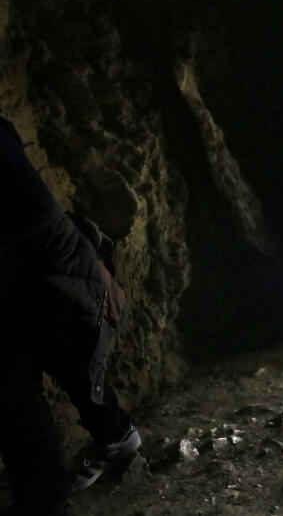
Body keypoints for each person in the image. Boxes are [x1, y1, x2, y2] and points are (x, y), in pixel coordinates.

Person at [0, 116, 140, 516]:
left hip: (34, 251)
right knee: (65, 358)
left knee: (17, 387)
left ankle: (45, 501)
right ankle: (115, 436)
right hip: (49, 245)